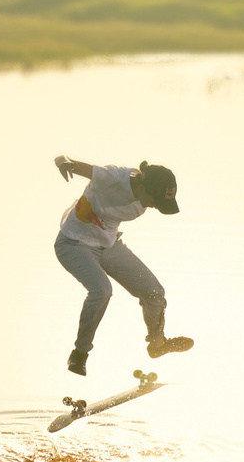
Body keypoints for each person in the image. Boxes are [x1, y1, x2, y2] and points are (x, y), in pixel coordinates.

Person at [52, 155, 193, 376]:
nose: (156, 207)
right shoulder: (114, 177)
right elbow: (68, 161)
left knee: (154, 292)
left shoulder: (144, 202)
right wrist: (63, 162)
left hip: (109, 246)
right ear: (144, 188)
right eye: (156, 200)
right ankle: (80, 353)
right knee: (102, 291)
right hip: (73, 245)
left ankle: (157, 344)